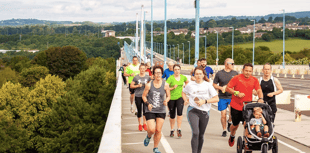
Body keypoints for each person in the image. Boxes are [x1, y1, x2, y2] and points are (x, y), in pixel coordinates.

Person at [225, 63, 264, 147]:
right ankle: (232, 135)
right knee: (235, 125)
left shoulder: (254, 80)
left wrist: (261, 98)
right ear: (242, 70)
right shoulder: (236, 78)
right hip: (236, 105)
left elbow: (259, 89)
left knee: (247, 125)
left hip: (248, 106)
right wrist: (236, 93)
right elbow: (227, 88)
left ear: (252, 71)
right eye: (246, 70)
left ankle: (247, 143)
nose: (248, 72)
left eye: (250, 71)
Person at [182, 67, 219, 153]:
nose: (198, 76)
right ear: (194, 75)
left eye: (200, 74)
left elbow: (216, 99)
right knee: (195, 132)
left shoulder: (208, 85)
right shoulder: (190, 85)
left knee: (201, 135)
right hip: (192, 110)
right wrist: (185, 100)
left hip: (204, 112)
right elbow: (183, 92)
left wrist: (205, 101)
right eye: (196, 74)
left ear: (203, 75)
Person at [142, 65, 170, 153]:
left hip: (161, 110)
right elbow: (143, 96)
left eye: (160, 73)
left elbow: (169, 96)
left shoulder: (165, 84)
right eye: (156, 73)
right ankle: (149, 136)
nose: (158, 74)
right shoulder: (149, 85)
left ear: (162, 74)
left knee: (158, 130)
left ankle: (155, 148)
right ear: (153, 74)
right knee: (152, 129)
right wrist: (147, 103)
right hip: (150, 109)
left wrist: (166, 100)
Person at [213, 58, 238, 137]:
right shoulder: (219, 73)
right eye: (232, 63)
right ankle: (224, 130)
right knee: (223, 114)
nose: (233, 65)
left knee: (231, 114)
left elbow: (238, 84)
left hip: (232, 97)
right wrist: (221, 88)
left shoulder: (235, 73)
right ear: (226, 64)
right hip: (222, 97)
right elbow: (214, 84)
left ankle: (229, 121)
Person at [166, 64, 189, 138]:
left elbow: (187, 82)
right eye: (175, 70)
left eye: (178, 69)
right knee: (172, 115)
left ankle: (179, 129)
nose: (177, 71)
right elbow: (165, 87)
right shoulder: (170, 78)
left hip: (180, 97)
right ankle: (172, 129)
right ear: (173, 70)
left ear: (180, 70)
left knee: (180, 113)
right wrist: (172, 88)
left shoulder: (183, 77)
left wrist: (185, 87)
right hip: (171, 98)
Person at [130, 64, 151, 131]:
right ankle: (139, 124)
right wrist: (137, 86)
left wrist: (147, 86)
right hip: (138, 95)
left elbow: (151, 84)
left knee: (145, 110)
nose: (142, 70)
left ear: (145, 69)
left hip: (145, 96)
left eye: (143, 68)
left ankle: (144, 123)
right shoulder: (136, 77)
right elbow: (131, 86)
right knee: (139, 110)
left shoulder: (148, 77)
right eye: (141, 68)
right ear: (139, 69)